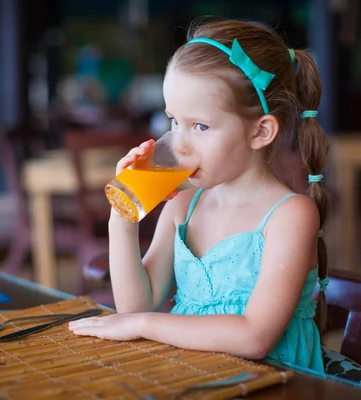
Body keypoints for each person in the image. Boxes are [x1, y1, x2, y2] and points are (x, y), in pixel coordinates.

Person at [69, 17, 330, 374]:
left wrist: (145, 325)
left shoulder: (290, 216)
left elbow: (255, 337)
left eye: (201, 126)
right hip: (194, 375)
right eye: (174, 121)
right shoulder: (183, 202)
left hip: (274, 382)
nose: (179, 143)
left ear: (261, 131)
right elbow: (135, 306)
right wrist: (124, 215)